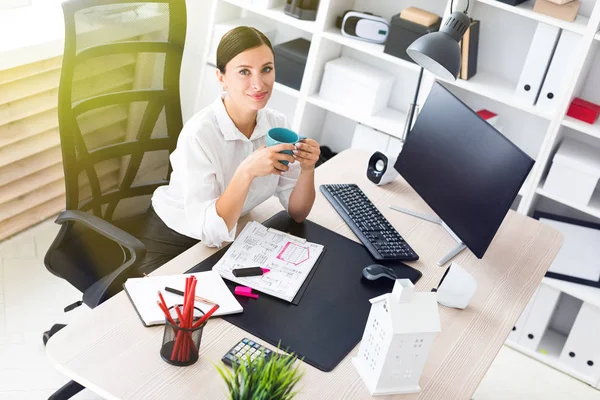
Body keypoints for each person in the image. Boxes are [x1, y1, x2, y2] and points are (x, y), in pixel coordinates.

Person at [137, 26, 321, 273]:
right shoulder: (199, 135)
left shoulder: (277, 125)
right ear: (221, 77)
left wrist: (308, 169)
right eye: (244, 72)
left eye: (266, 69)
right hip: (174, 242)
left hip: (231, 234)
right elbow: (210, 232)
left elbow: (297, 213)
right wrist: (246, 171)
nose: (258, 83)